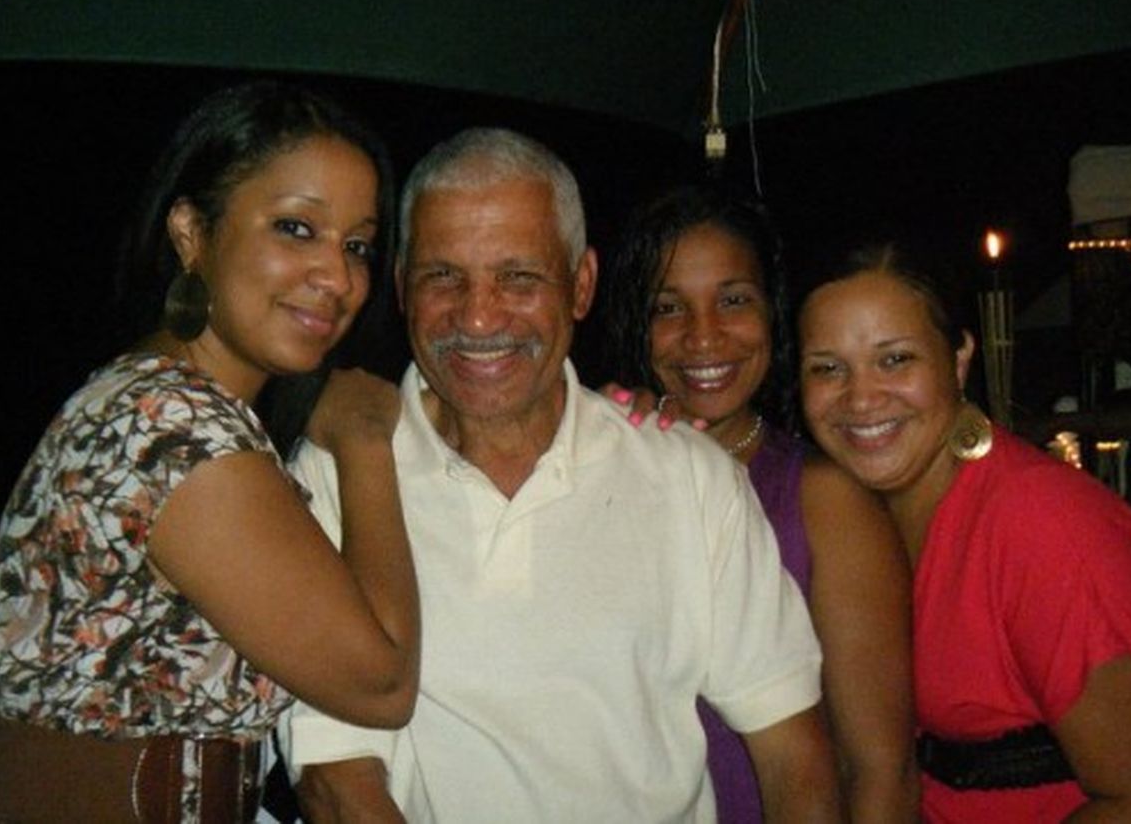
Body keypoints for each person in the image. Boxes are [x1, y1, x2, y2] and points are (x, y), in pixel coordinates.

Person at [282, 128, 841, 822]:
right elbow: (337, 778)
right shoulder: (340, 472)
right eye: (443, 276)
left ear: (581, 286)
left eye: (518, 277)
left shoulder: (689, 478)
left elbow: (794, 758)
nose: (477, 316)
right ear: (401, 287)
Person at [0, 81, 420, 822]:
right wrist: (365, 439)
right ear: (191, 232)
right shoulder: (169, 429)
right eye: (296, 228)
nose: (338, 278)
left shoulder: (175, 407)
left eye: (357, 246)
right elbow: (382, 684)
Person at [603, 185, 918, 822]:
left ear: (773, 311)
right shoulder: (604, 465)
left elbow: (881, 771)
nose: (703, 336)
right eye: (669, 307)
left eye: (733, 300)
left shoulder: (823, 500)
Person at [798, 243, 1131, 822]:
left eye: (895, 359)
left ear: (958, 359)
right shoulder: (844, 519)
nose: (861, 398)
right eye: (828, 368)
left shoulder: (1037, 523)